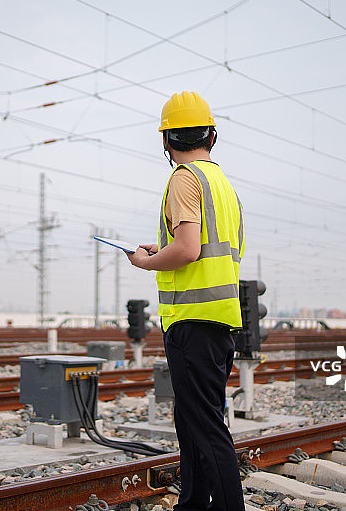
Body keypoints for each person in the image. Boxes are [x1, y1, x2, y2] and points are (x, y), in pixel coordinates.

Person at [126, 91, 245, 511]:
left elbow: (189, 249)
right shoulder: (223, 185)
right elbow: (220, 250)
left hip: (192, 320)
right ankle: (192, 504)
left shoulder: (184, 178)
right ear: (212, 134)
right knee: (192, 419)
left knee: (206, 426)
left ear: (165, 141)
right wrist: (163, 251)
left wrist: (146, 262)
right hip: (220, 319)